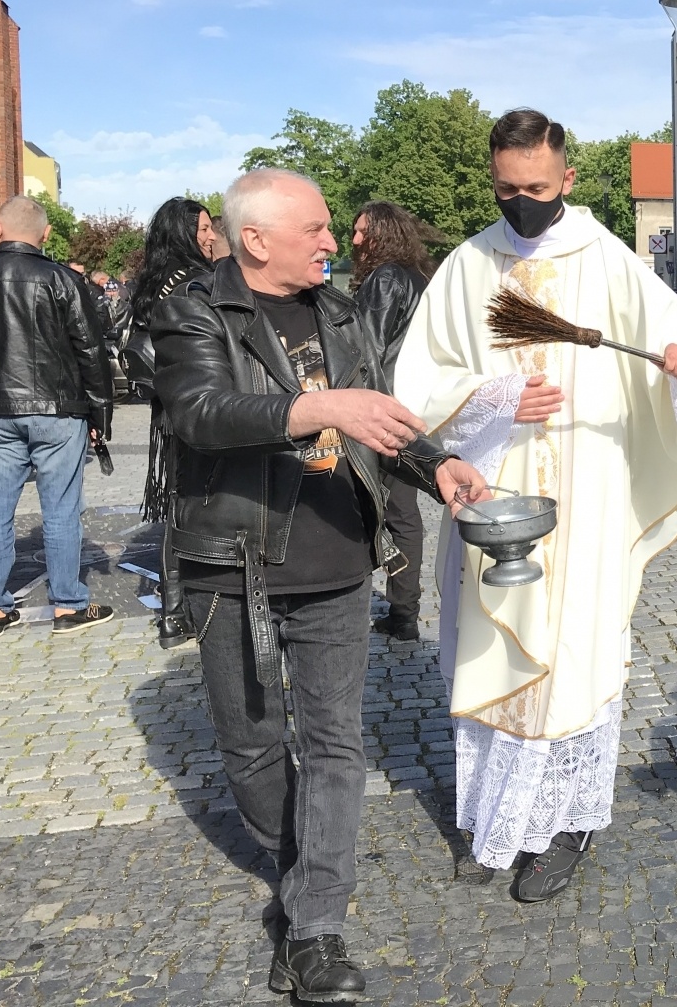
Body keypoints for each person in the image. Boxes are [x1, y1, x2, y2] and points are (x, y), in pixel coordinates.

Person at [151, 168, 488, 1001]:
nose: (335, 243)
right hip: (234, 563)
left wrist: (434, 459)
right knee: (253, 746)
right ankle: (304, 869)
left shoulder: (341, 310)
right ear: (256, 239)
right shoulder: (195, 307)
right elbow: (197, 412)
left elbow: (378, 415)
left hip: (337, 560)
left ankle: (315, 928)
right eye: (317, 230)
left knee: (338, 743)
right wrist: (315, 407)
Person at [392, 108, 677, 903]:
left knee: (572, 655)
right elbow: (416, 383)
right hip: (492, 490)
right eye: (506, 189)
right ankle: (495, 820)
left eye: (537, 188)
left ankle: (564, 824)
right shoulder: (468, 265)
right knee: (489, 651)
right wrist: (495, 393)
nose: (521, 203)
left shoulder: (607, 261)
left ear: (567, 179)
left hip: (586, 493)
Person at [0, 196, 115, 637]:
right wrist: (101, 412)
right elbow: (90, 348)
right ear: (45, 234)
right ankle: (67, 606)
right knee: (61, 509)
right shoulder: (62, 279)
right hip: (57, 410)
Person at [127, 196, 218, 648]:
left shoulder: (152, 283)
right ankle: (184, 609)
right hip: (200, 407)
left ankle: (172, 611)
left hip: (166, 410)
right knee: (199, 503)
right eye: (202, 229)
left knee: (179, 502)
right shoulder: (200, 281)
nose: (210, 236)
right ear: (182, 233)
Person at [350, 200, 440, 642]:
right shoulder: (422, 277)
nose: (354, 240)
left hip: (386, 409)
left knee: (386, 513)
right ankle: (403, 609)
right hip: (412, 407)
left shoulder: (386, 278)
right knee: (403, 514)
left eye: (362, 231)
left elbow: (366, 352)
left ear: (382, 233)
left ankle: (397, 611)